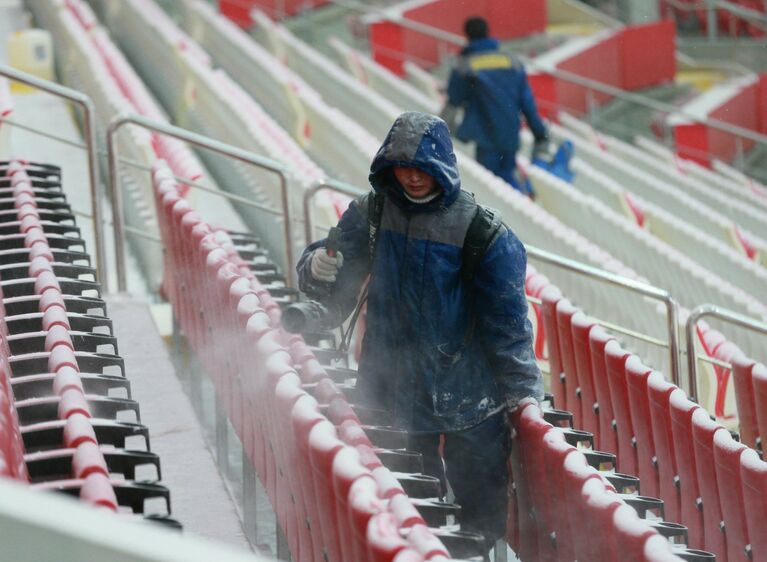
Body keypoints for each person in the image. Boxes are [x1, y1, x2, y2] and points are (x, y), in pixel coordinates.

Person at [297, 111, 543, 554]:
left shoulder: (483, 234)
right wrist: (316, 266)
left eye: (421, 167)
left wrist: (523, 394)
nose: (411, 176)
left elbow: (508, 328)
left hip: (467, 401)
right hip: (387, 391)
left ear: (442, 166)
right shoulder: (371, 212)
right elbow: (332, 291)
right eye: (402, 166)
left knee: (478, 529)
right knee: (402, 520)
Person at [441, 16, 549, 194]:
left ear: (467, 36)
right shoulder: (512, 62)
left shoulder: (465, 65)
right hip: (511, 134)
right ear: (487, 33)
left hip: (485, 137)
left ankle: (518, 201)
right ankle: (522, 195)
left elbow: (453, 101)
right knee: (506, 174)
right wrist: (539, 133)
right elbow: (528, 103)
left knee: (492, 187)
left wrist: (441, 131)